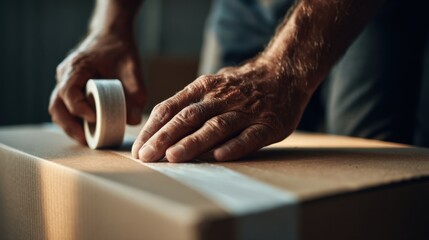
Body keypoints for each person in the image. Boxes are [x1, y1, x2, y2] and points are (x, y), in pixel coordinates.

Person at [49, 0, 429, 163]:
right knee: (218, 147)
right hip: (243, 5)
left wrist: (285, 68)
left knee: (362, 158)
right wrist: (110, 26)